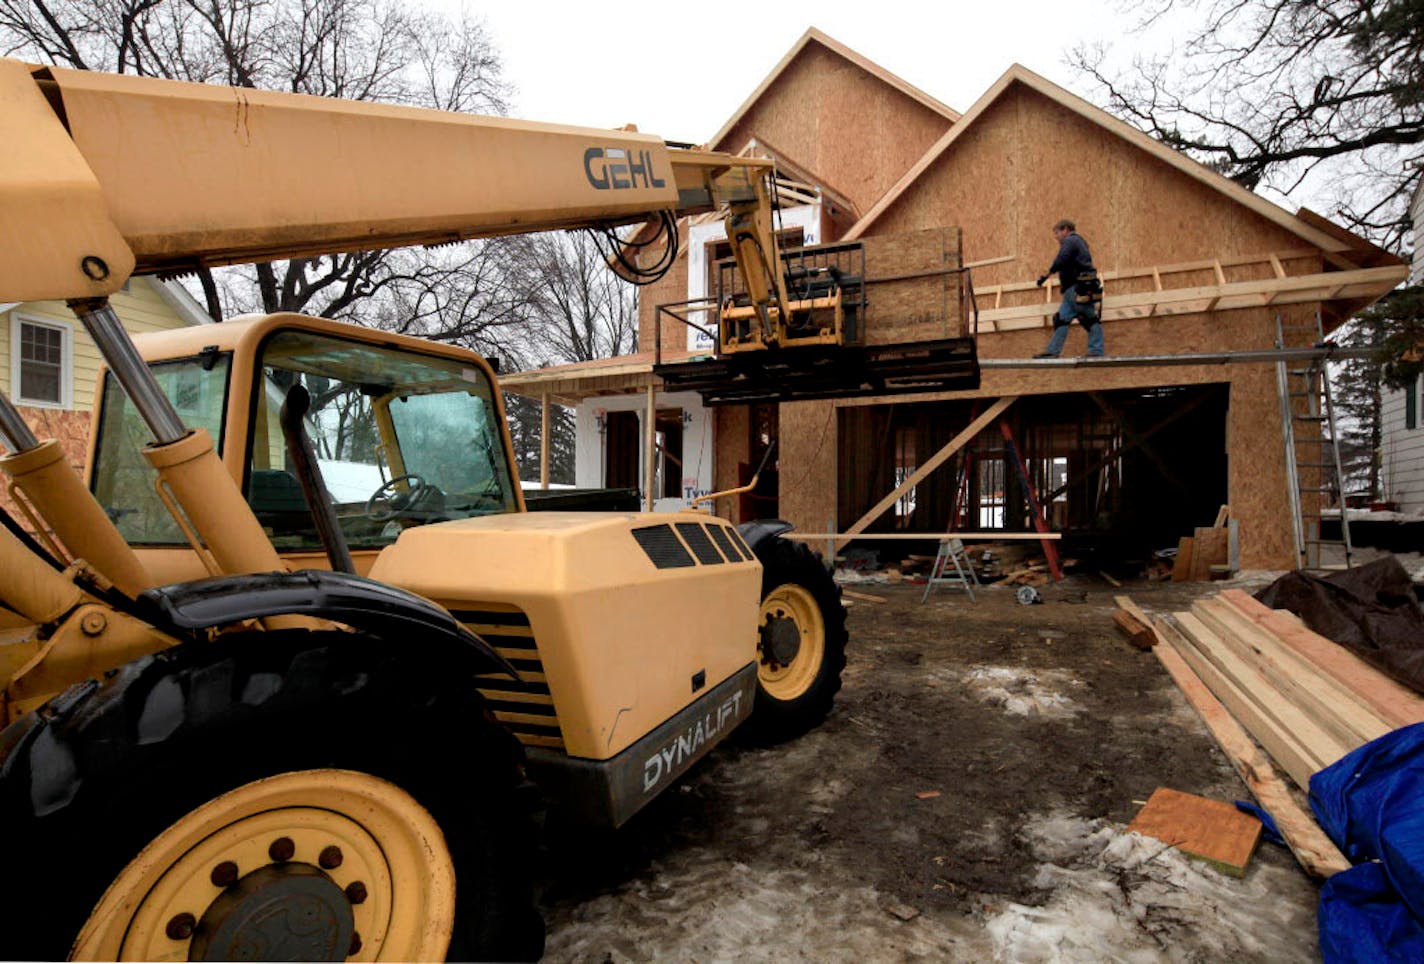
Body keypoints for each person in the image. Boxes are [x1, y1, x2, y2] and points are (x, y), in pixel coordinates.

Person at [1034, 219, 1104, 357]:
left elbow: (1062, 259)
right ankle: (1052, 351)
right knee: (1061, 320)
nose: (1056, 236)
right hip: (1071, 291)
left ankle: (1096, 350)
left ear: (1066, 229)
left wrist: (1046, 275)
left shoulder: (1071, 240)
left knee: (1089, 318)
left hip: (1077, 287)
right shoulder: (1078, 242)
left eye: (1057, 232)